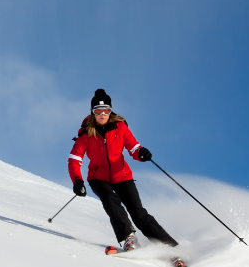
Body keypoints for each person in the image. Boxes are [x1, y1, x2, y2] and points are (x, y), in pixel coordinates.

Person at [68, 89, 178, 255]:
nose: (102, 114)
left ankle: (171, 247)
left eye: (106, 110)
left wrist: (141, 153)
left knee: (138, 214)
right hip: (98, 178)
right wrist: (77, 180)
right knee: (109, 199)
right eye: (98, 111)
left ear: (110, 111)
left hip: (122, 175)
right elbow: (74, 160)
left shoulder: (120, 127)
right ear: (92, 112)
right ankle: (129, 237)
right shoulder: (86, 134)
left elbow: (134, 148)